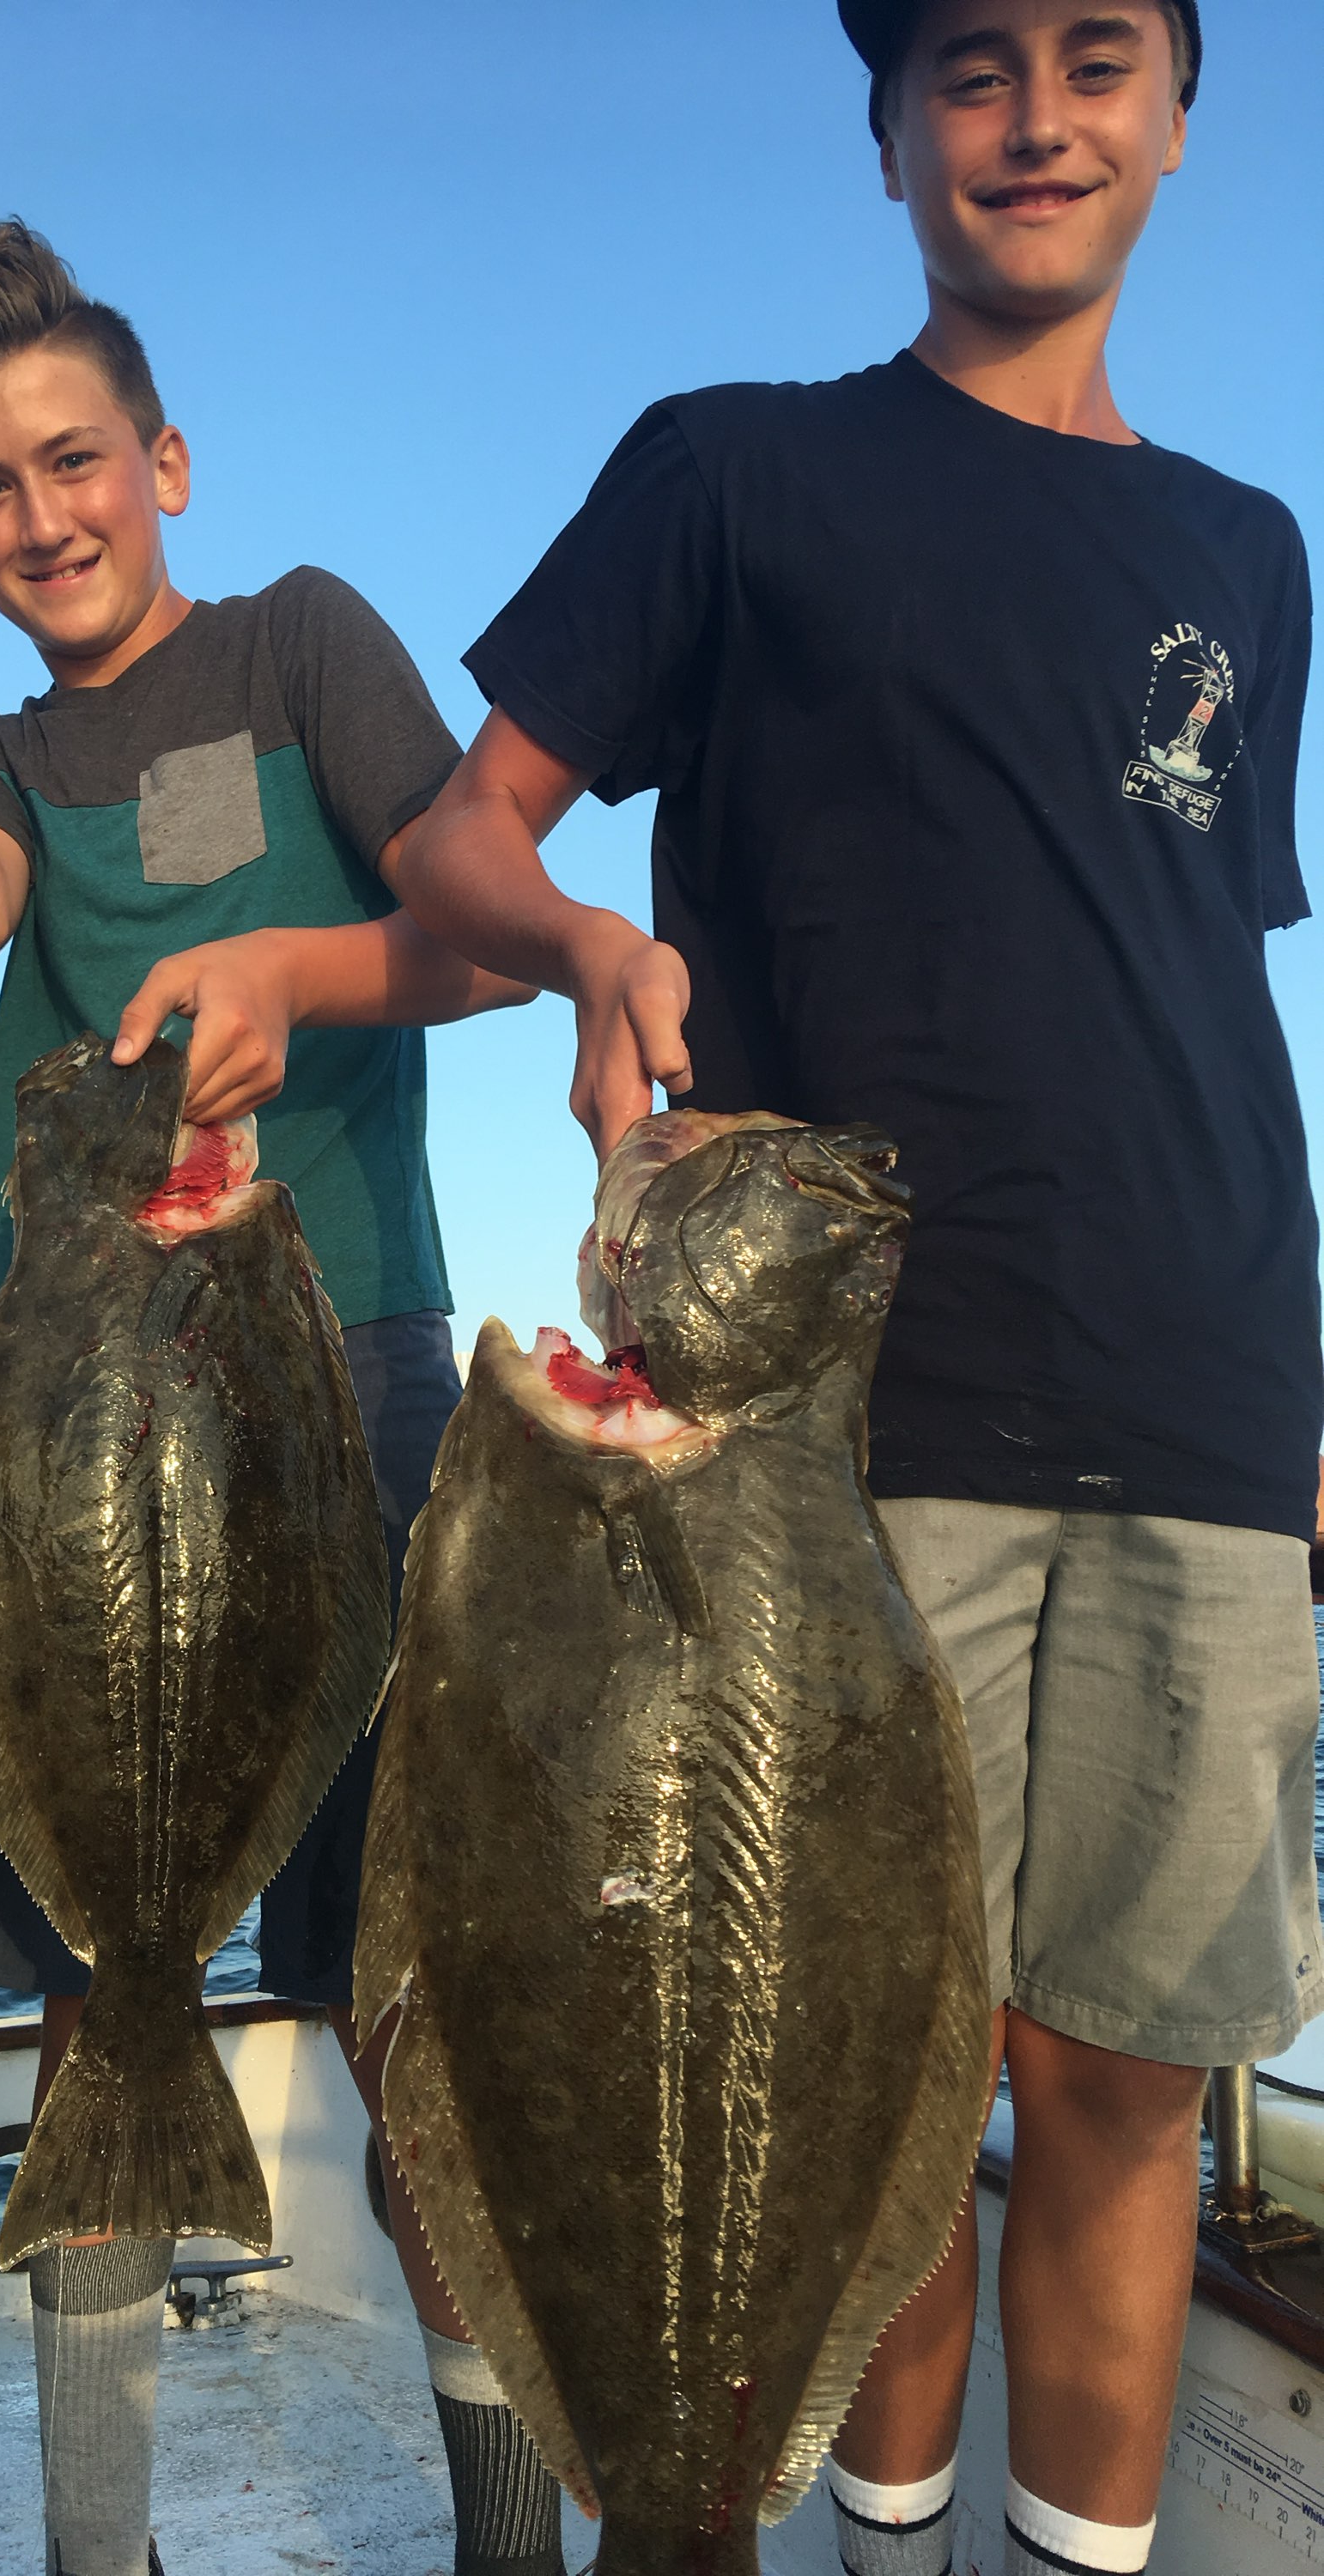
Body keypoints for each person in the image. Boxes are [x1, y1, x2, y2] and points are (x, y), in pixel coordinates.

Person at [393, 6, 1320, 2575]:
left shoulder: (1249, 550)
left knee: (1128, 2086)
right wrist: (588, 948)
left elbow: (1197, 979)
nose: (1036, 115)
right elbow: (462, 839)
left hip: (1211, 1391)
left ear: (1175, 116)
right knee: (876, 2088)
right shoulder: (735, 467)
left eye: (1098, 57)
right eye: (971, 66)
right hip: (839, 1412)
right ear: (890, 134)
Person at [0, 216, 554, 2576]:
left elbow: (478, 939)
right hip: (73, 1433)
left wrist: (293, 967)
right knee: (102, 1994)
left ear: (164, 460)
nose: (43, 516)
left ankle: (507, 2530)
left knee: (403, 2007)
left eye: (74, 461)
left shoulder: (299, 642)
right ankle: (104, 2543)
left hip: (351, 1386)